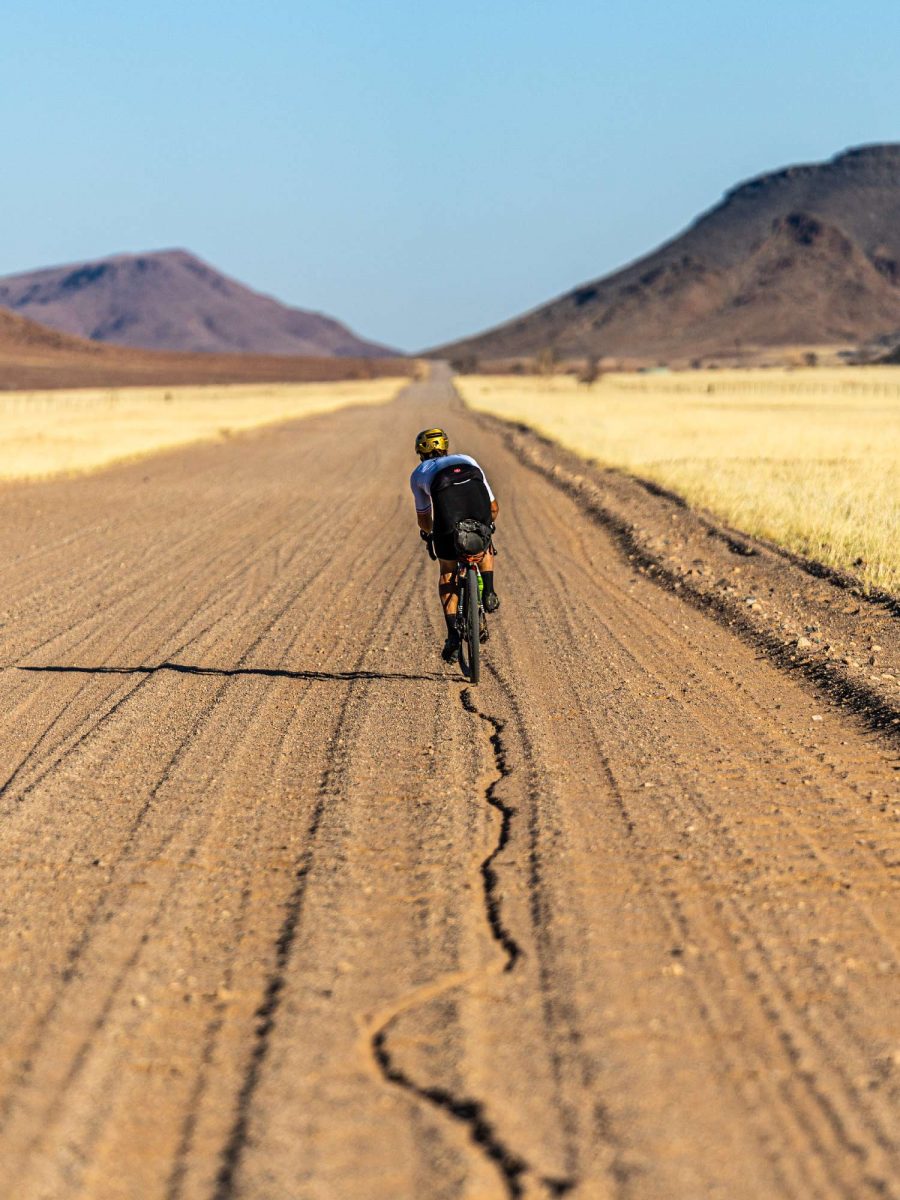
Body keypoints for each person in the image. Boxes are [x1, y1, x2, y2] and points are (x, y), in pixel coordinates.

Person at [410, 427, 500, 663]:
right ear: (446, 446)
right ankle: (489, 592)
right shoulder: (468, 459)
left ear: (420, 451)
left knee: (448, 572)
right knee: (484, 540)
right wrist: (487, 525)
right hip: (479, 506)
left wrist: (430, 534)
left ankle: (452, 636)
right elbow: (493, 507)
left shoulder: (419, 473)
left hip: (448, 519)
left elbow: (424, 516)